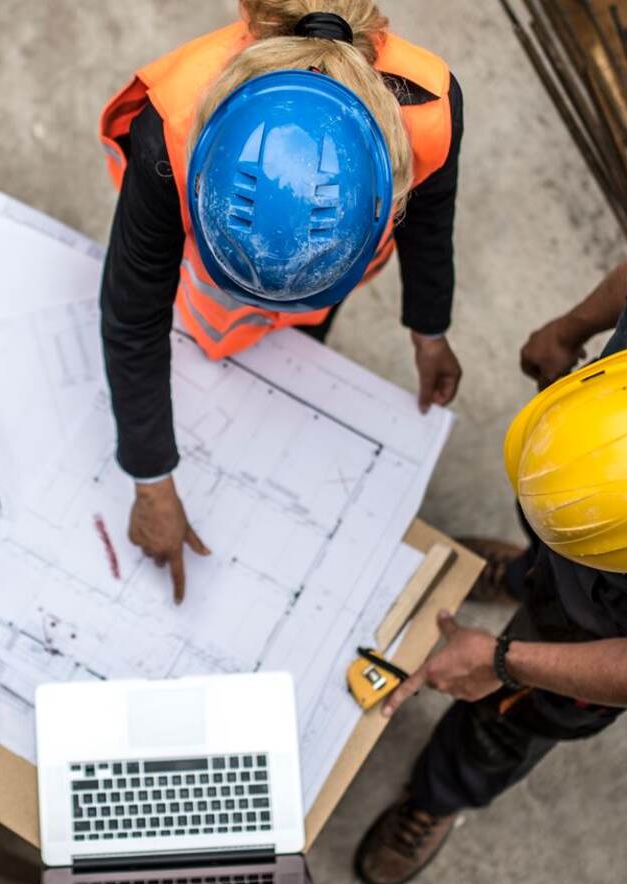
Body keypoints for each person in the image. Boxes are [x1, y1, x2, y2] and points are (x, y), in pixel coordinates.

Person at [353, 201, 627, 884]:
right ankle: (532, 572)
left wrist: (505, 661)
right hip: (618, 518)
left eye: (598, 547)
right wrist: (569, 330)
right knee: (554, 558)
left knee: (518, 715)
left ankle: (439, 795)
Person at [99, 0, 465, 600]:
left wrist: (429, 328)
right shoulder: (171, 128)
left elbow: (430, 221)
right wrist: (151, 479)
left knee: (293, 353)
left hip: (326, 280)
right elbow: (134, 312)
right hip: (210, 298)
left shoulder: (429, 107)